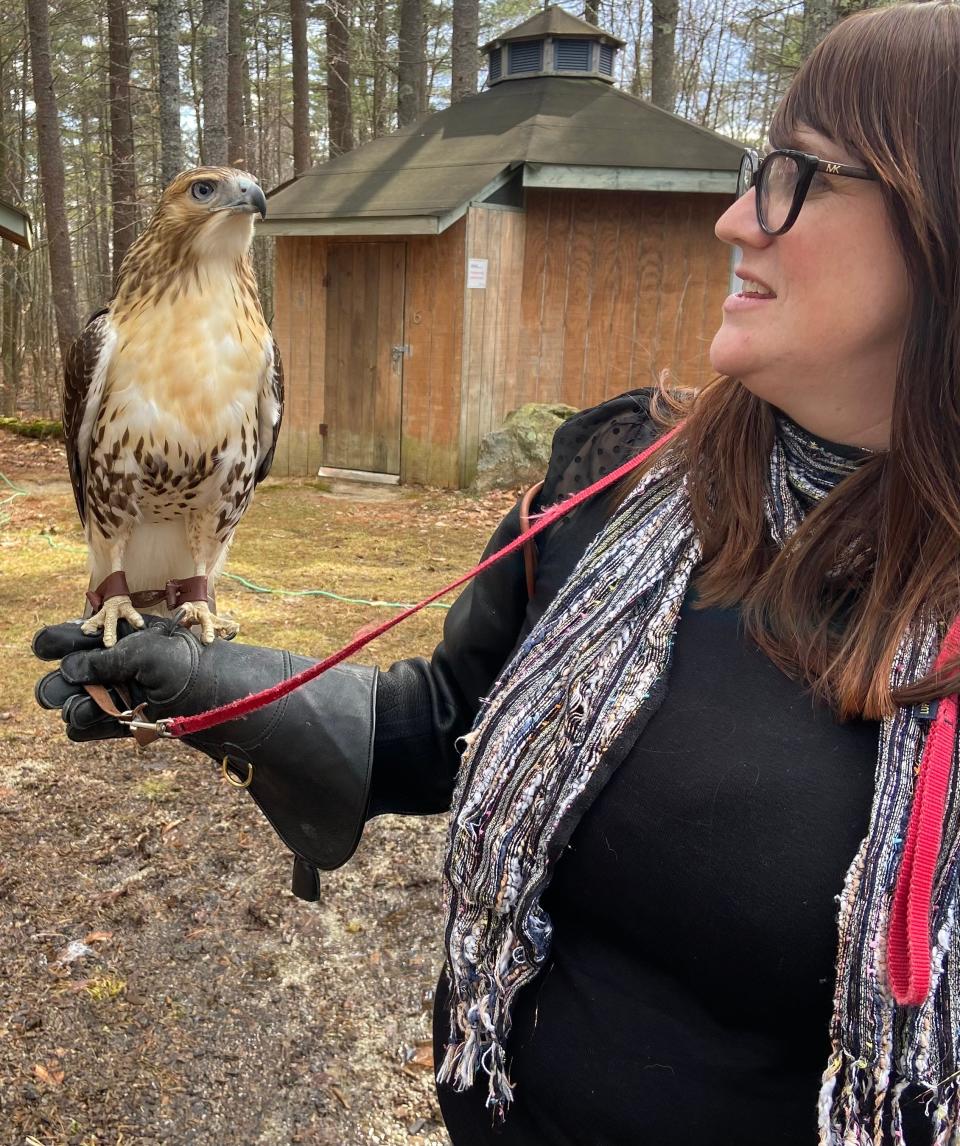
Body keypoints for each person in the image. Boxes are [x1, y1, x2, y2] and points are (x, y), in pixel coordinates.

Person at [32, 4, 960, 1141]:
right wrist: (246, 699)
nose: (735, 218)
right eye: (753, 168)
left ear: (942, 222)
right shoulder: (620, 482)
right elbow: (457, 716)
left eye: (797, 176)